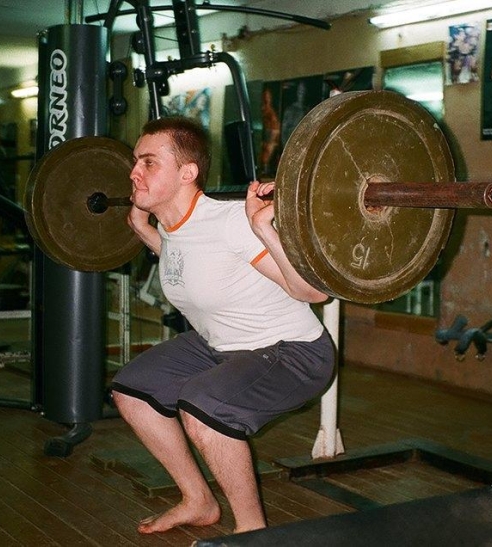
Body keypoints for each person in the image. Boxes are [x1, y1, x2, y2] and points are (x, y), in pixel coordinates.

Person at [112, 116, 335, 534]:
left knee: (204, 407)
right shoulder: (174, 226)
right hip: (220, 345)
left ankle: (251, 532)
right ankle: (197, 501)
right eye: (136, 162)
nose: (134, 172)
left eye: (148, 162)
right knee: (133, 390)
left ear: (187, 173)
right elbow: (192, 264)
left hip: (293, 352)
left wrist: (262, 227)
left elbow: (312, 292)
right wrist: (142, 229)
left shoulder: (230, 222)